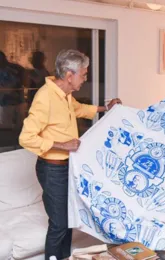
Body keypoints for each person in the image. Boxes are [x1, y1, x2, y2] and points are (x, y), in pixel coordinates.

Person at [19, 49, 121, 260]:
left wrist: (106, 108)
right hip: (52, 169)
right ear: (69, 75)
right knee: (58, 223)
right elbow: (26, 137)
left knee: (67, 220)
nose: (85, 79)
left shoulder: (64, 95)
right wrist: (62, 145)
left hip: (67, 167)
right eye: (83, 74)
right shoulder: (45, 97)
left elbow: (79, 109)